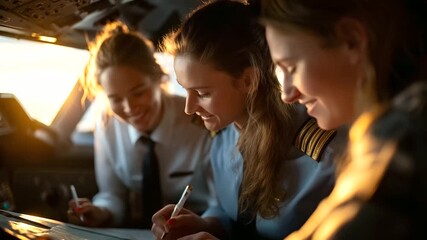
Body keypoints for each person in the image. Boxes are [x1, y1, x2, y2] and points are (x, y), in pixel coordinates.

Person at [151, 1, 345, 239]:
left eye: (202, 93)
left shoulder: (325, 155)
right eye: (185, 90)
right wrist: (205, 224)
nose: (189, 109)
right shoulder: (222, 140)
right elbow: (228, 213)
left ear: (248, 81)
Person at [261, 0, 427, 238]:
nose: (287, 95)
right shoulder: (383, 134)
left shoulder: (403, 142)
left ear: (352, 40)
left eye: (292, 67)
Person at [66, 21, 215, 229]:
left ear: (157, 78)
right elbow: (112, 195)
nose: (129, 108)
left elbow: (220, 204)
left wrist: (200, 225)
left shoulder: (200, 120)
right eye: (116, 99)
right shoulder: (107, 124)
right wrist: (100, 212)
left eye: (138, 93)